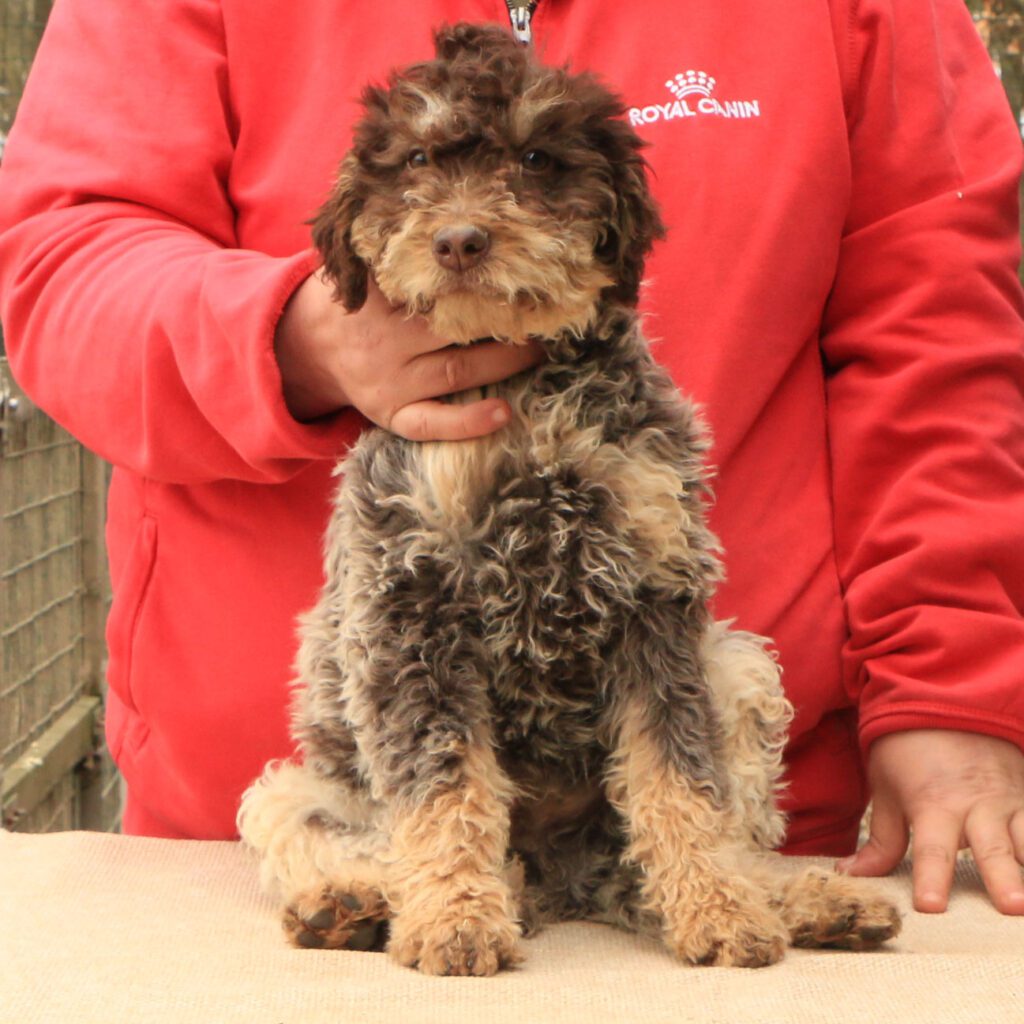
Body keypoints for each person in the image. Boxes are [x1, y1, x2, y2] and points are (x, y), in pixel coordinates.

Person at [1, 0, 1022, 916]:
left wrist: (949, 688)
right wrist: (294, 340)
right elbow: (58, 262)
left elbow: (939, 321)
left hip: (751, 821)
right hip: (275, 840)